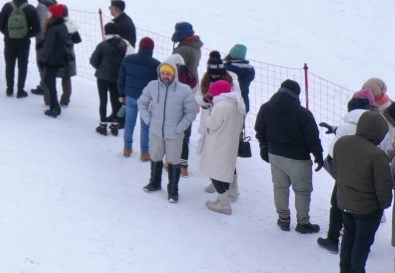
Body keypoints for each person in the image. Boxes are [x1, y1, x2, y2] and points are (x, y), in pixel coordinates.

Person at [255, 79, 324, 231]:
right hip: (298, 159)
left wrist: (264, 148)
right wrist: (318, 156)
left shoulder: (265, 108)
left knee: (280, 187)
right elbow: (312, 138)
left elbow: (260, 130)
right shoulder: (302, 113)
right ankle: (303, 223)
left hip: (275, 155)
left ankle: (283, 218)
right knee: (302, 191)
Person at [333, 110, 393, 271]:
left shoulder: (342, 142)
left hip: (345, 203)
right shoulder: (377, 155)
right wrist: (383, 204)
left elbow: (336, 171)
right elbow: (383, 185)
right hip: (367, 210)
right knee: (362, 243)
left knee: (348, 237)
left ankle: (344, 269)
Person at [139, 59, 198, 202]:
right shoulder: (152, 86)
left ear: (174, 75)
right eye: (163, 73)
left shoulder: (184, 90)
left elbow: (191, 111)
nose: (165, 76)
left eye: (168, 74)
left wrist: (180, 128)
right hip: (156, 132)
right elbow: (142, 103)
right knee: (155, 156)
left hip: (174, 134)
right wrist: (148, 120)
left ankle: (173, 190)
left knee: (173, 161)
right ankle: (154, 183)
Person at [200, 78, 246, 213]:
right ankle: (227, 194)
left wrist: (206, 111)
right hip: (230, 143)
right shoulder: (237, 103)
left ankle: (224, 203)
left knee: (215, 172)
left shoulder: (221, 106)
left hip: (218, 143)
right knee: (226, 169)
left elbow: (212, 124)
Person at [118, 37, 157, 159]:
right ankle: (145, 152)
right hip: (146, 100)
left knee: (129, 123)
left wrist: (121, 94)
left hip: (130, 96)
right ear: (151, 49)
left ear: (139, 47)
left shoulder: (128, 60)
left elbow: (121, 78)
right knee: (145, 125)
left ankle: (127, 148)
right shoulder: (156, 64)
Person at [0, 0, 38, 98]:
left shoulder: (7, 7)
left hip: (9, 42)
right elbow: (37, 28)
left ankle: (9, 89)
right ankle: (20, 90)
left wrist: (8, 32)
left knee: (9, 65)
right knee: (22, 66)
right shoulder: (30, 9)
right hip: (24, 43)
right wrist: (27, 34)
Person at [91, 24, 129, 133]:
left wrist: (100, 67)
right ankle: (115, 124)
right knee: (116, 101)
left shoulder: (102, 45)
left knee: (103, 100)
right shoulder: (123, 44)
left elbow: (93, 60)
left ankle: (102, 125)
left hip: (103, 77)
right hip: (117, 77)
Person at [35, 4, 70, 117]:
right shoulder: (62, 26)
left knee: (49, 82)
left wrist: (42, 60)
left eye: (49, 13)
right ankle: (55, 106)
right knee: (50, 81)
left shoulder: (53, 29)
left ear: (54, 15)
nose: (47, 14)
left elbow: (49, 48)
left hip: (52, 60)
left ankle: (54, 107)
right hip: (58, 59)